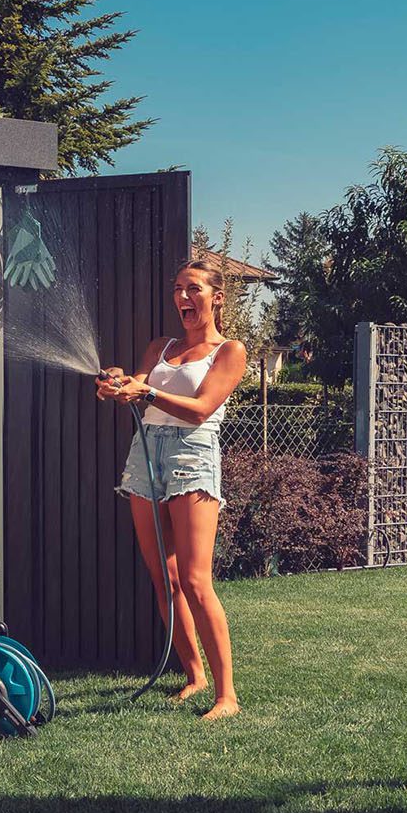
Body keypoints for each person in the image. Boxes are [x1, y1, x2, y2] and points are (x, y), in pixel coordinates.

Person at [97, 261, 248, 721]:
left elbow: (202, 409)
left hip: (191, 453)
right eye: (178, 289)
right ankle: (194, 675)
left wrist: (143, 395)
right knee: (164, 576)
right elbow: (138, 386)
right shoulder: (161, 347)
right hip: (144, 454)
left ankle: (227, 697)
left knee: (197, 580)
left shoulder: (229, 350)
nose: (183, 296)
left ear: (216, 297)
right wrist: (117, 383)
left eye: (194, 289)